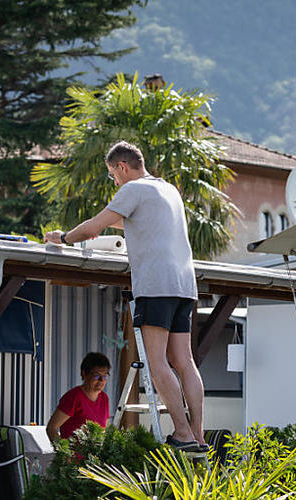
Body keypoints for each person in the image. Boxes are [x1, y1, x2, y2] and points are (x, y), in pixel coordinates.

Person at [44, 141, 206, 452]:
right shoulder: (168, 190)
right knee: (184, 361)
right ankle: (198, 435)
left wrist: (62, 237)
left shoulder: (133, 189)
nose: (114, 181)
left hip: (156, 285)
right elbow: (129, 221)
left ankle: (182, 433)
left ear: (122, 166)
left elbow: (93, 227)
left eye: (112, 174)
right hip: (184, 285)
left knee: (157, 362)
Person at [46, 352, 112, 442]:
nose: (101, 380)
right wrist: (63, 449)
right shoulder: (73, 397)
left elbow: (105, 430)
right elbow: (52, 428)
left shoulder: (104, 398)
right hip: (73, 450)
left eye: (104, 376)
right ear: (84, 374)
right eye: (96, 376)